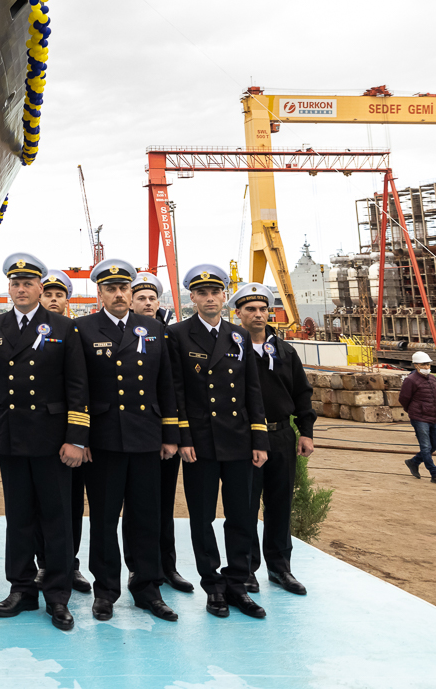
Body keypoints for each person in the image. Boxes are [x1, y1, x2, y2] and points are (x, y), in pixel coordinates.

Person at [0, 252, 89, 632]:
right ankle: (22, 588)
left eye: (28, 283)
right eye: (15, 283)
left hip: (52, 439)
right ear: (8, 288)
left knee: (56, 519)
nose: (21, 289)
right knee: (19, 517)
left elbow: (77, 387)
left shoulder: (64, 327)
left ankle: (57, 595)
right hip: (10, 437)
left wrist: (76, 438)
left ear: (41, 287)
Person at [76, 259, 181, 623]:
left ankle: (148, 588)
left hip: (146, 437)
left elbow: (166, 385)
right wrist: (80, 438)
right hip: (104, 439)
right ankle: (105, 591)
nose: (119, 294)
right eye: (111, 289)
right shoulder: (83, 329)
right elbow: (79, 389)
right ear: (100, 293)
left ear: (131, 292)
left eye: (124, 288)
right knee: (104, 519)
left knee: (145, 517)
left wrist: (170, 434)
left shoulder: (153, 329)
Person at [167, 264, 268, 619]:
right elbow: (176, 391)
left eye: (215, 292)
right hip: (200, 442)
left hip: (238, 439)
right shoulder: (177, 334)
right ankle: (213, 585)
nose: (210, 298)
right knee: (202, 517)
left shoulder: (239, 335)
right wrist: (183, 437)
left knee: (241, 516)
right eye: (202, 293)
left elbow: (252, 390)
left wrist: (259, 438)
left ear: (225, 296)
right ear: (192, 297)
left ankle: (238, 583)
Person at [231, 283, 314, 596]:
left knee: (280, 504)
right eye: (250, 309)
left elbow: (301, 392)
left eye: (263, 309)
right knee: (246, 505)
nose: (258, 314)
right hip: (244, 437)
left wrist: (306, 432)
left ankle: (280, 568)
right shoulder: (230, 349)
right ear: (238, 314)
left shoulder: (285, 351)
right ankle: (246, 569)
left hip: (280, 435)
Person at [130, 271, 193, 595]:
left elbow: (176, 387)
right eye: (141, 297)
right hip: (134, 434)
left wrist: (176, 433)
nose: (147, 303)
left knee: (164, 504)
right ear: (131, 301)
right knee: (135, 507)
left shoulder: (170, 335)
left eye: (152, 298)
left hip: (165, 432)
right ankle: (137, 567)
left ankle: (167, 566)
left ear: (159, 302)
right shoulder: (124, 333)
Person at [34, 269, 90, 595]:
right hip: (41, 433)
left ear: (67, 300)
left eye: (60, 295)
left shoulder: (76, 332)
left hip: (73, 434)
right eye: (49, 294)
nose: (54, 300)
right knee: (40, 504)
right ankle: (45, 563)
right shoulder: (29, 333)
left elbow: (84, 387)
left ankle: (71, 563)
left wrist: (81, 437)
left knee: (72, 504)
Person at [400, 351, 436, 482]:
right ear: (416, 365)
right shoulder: (410, 380)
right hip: (419, 418)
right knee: (426, 447)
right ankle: (435, 474)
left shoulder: (433, 379)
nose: (427, 367)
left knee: (435, 445)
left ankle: (414, 462)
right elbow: (404, 398)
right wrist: (412, 411)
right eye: (424, 364)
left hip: (433, 417)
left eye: (428, 364)